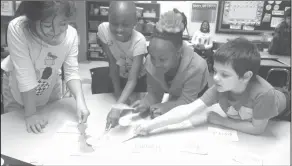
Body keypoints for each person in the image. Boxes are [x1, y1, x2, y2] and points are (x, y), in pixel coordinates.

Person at [135, 37, 290, 136]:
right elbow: (187, 110)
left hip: (285, 109)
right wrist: (150, 126)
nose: (215, 78)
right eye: (215, 71)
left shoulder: (264, 94)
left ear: (246, 76)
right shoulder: (219, 87)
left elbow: (258, 129)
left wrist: (222, 121)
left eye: (225, 74)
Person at [1, 1, 90, 134]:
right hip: (17, 92)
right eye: (47, 25)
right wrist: (30, 114)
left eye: (63, 23)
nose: (55, 32)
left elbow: (71, 72)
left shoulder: (71, 35)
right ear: (33, 20)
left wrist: (80, 101)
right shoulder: (19, 28)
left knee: (51, 133)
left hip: (50, 88)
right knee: (17, 134)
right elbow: (25, 75)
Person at [131, 9, 209, 120]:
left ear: (178, 53)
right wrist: (146, 102)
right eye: (153, 56)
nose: (156, 64)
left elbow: (187, 101)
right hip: (176, 93)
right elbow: (154, 94)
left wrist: (166, 106)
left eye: (162, 59)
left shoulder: (197, 67)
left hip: (197, 96)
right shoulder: (149, 62)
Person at [93, 1, 148, 130]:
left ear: (135, 22)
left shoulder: (139, 41)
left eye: (125, 25)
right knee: (118, 103)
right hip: (120, 74)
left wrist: (118, 106)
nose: (119, 29)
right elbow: (112, 63)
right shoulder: (103, 30)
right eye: (114, 23)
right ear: (108, 19)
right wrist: (118, 96)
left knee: (135, 116)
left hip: (139, 79)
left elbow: (133, 79)